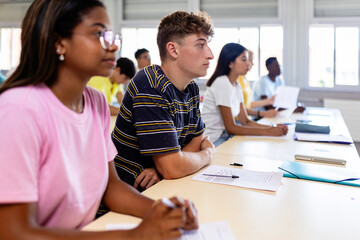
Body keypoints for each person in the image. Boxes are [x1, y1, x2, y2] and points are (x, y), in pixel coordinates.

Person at [0, 1, 198, 239]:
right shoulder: (20, 110)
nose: (113, 45)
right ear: (59, 42)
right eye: (98, 34)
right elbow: (14, 232)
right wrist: (134, 235)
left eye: (112, 36)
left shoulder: (95, 101)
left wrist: (162, 210)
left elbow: (111, 187)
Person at [112, 11, 215, 191]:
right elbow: (173, 167)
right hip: (129, 195)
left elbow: (197, 139)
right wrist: (207, 154)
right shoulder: (150, 85)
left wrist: (169, 166)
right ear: (173, 49)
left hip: (161, 187)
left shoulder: (191, 88)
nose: (210, 55)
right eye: (200, 45)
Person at [202, 43, 288, 147]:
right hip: (214, 140)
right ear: (230, 63)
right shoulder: (222, 83)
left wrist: (271, 127)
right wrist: (268, 131)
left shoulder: (236, 85)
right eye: (244, 59)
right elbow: (231, 128)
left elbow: (245, 121)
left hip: (227, 137)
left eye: (248, 60)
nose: (249, 63)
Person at [237, 51, 277, 119]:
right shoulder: (237, 80)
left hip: (246, 119)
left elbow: (248, 104)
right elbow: (239, 108)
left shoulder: (245, 80)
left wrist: (269, 101)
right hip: (239, 121)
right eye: (250, 60)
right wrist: (264, 113)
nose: (252, 64)